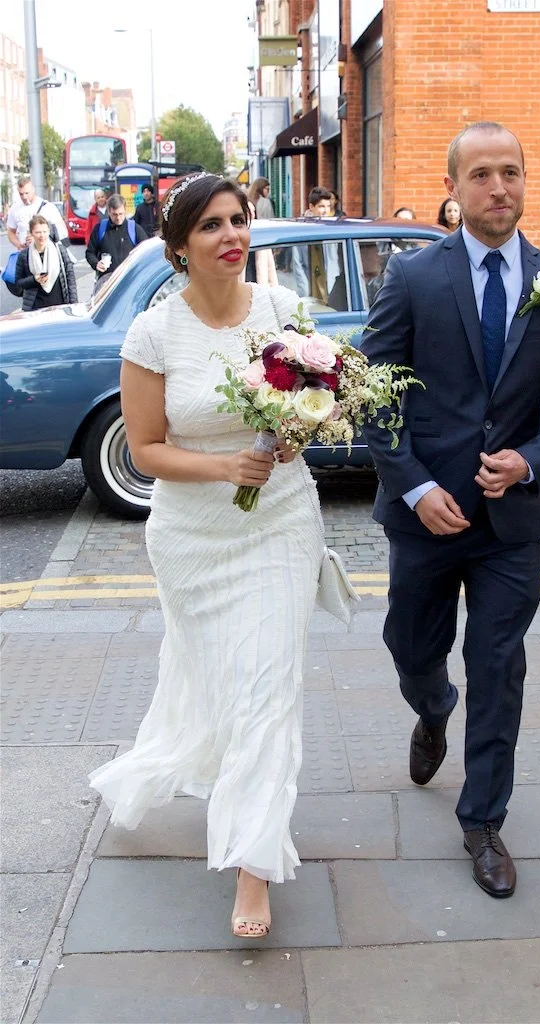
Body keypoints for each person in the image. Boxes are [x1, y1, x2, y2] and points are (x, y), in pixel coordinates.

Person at [360, 121, 540, 899]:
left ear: (524, 180)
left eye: (510, 172)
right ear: (454, 188)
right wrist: (415, 486)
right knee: (411, 644)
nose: (499, 187)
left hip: (511, 523)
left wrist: (533, 458)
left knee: (499, 665)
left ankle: (484, 821)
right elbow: (374, 394)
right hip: (425, 515)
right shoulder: (413, 278)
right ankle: (432, 706)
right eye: (481, 174)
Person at [88, 172, 326, 940]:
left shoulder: (285, 313)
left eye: (239, 220)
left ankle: (253, 865)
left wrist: (294, 433)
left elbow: (311, 409)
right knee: (219, 684)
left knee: (267, 689)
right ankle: (197, 768)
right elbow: (146, 449)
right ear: (180, 247)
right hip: (192, 538)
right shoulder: (154, 333)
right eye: (212, 225)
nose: (232, 236)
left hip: (279, 525)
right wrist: (227, 466)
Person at [14, 213, 77, 311]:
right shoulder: (24, 255)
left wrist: (74, 304)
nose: (42, 236)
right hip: (35, 306)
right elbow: (18, 283)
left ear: (49, 232)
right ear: (31, 233)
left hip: (59, 304)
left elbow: (70, 278)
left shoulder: (60, 250)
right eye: (38, 232)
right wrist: (34, 280)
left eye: (44, 232)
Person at [292, 187, 343, 306]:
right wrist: (304, 291)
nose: (326, 211)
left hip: (332, 288)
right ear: (311, 207)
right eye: (321, 207)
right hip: (310, 290)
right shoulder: (301, 230)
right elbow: (297, 263)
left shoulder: (333, 229)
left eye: (328, 206)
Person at [86, 193, 147, 289]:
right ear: (109, 212)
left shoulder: (135, 229)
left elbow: (146, 252)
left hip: (130, 281)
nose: (118, 218)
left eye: (121, 214)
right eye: (114, 214)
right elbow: (90, 252)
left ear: (125, 210)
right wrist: (96, 263)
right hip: (106, 282)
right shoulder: (100, 229)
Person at [7, 175, 69, 250]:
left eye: (27, 193)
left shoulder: (47, 207)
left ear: (33, 190)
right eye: (21, 194)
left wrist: (38, 239)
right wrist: (19, 244)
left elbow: (62, 231)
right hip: (25, 253)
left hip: (46, 253)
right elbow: (11, 232)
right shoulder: (15, 208)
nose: (24, 197)